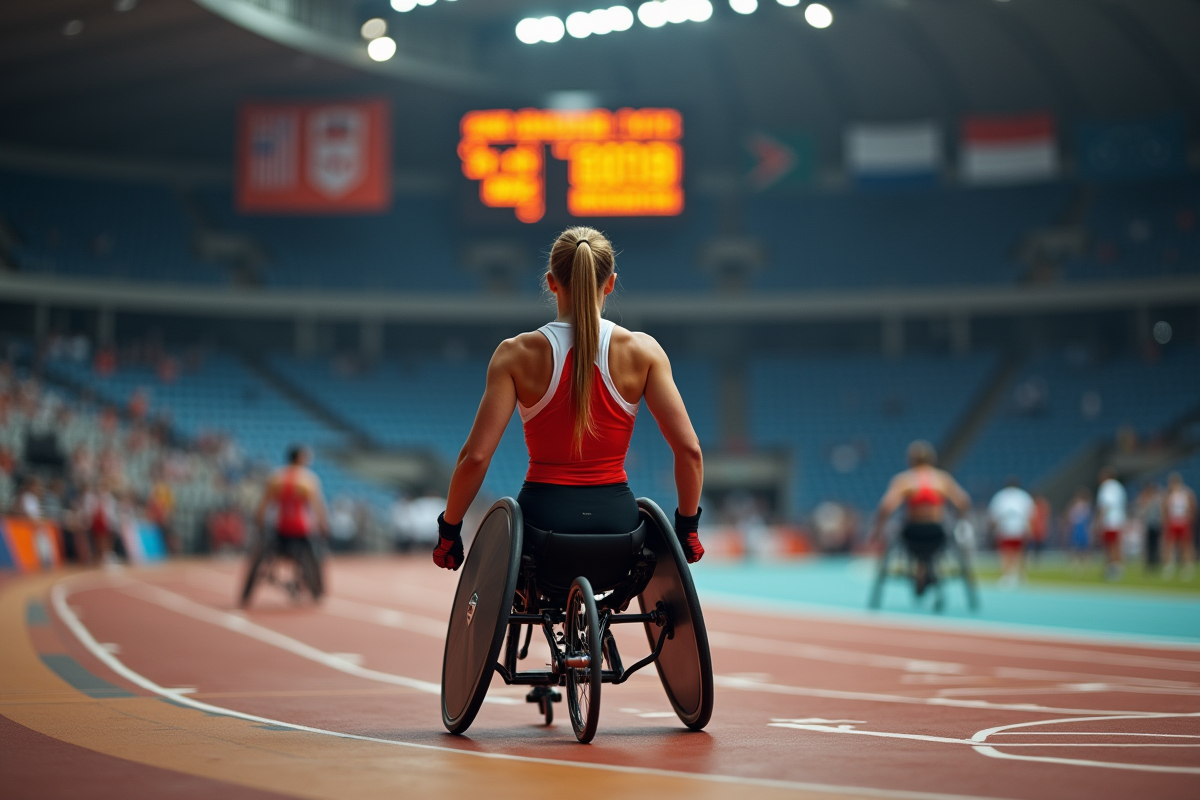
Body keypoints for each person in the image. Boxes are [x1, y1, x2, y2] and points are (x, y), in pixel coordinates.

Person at [431, 226, 705, 575]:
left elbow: (476, 457)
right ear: (610, 283)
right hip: (617, 524)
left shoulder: (515, 354)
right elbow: (689, 451)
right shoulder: (644, 351)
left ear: (551, 282)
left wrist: (449, 531)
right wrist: (687, 529)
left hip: (542, 522)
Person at [870, 441, 970, 597]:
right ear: (932, 459)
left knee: (908, 544)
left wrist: (878, 529)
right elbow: (963, 502)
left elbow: (886, 507)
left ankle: (921, 573)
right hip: (936, 533)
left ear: (910, 460)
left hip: (912, 533)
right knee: (936, 548)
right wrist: (960, 521)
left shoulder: (904, 480)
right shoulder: (942, 479)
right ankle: (925, 573)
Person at [242, 445, 328, 606]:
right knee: (318, 554)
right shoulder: (308, 480)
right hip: (301, 532)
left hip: (279, 531)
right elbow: (318, 508)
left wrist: (260, 525)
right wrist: (323, 526)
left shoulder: (276, 478)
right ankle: (318, 590)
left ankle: (246, 594)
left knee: (259, 553)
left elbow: (263, 506)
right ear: (300, 458)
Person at [988, 478, 1035, 589]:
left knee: (1006, 553)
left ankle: (1008, 576)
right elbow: (1030, 515)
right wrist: (1029, 529)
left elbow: (993, 515)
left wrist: (993, 528)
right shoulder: (1023, 496)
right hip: (1019, 528)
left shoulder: (1000, 496)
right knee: (1019, 553)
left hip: (1006, 528)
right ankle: (1020, 576)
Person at [1161, 472, 1196, 580]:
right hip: (1172, 522)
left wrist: (1189, 519)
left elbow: (1192, 507)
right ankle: (1169, 566)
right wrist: (1166, 521)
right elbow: (1164, 509)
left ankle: (1187, 567)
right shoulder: (1168, 494)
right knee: (1169, 545)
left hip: (1183, 522)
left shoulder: (1186, 493)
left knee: (1185, 545)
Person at [1095, 470, 1127, 581]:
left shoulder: (1106, 487)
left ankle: (1112, 569)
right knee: (1117, 545)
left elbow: (1106, 505)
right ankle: (1118, 567)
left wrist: (1099, 520)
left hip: (1109, 521)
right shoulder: (1119, 487)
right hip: (1119, 520)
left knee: (1110, 546)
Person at [1134, 482, 1164, 572]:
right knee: (1149, 545)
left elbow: (1160, 511)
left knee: (1155, 544)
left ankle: (1156, 562)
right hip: (1149, 524)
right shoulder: (1145, 499)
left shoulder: (1156, 498)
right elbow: (1141, 511)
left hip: (1156, 524)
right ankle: (1150, 563)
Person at [1065, 487, 1093, 572]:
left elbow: (1087, 518)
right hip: (1078, 527)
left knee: (1082, 546)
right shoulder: (1077, 505)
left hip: (1081, 527)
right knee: (1076, 546)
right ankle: (1077, 562)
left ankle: (1083, 563)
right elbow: (1071, 516)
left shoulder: (1084, 506)